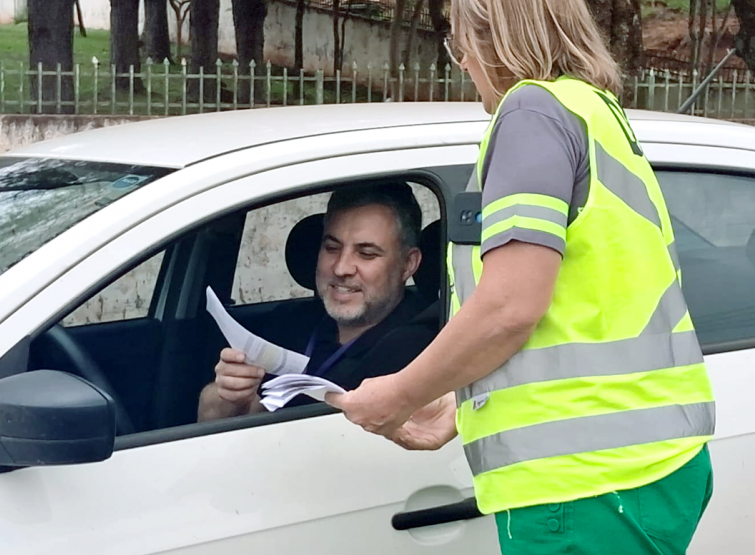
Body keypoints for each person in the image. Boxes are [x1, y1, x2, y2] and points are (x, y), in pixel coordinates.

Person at [326, 1, 716, 554]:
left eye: (459, 41)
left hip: (583, 483)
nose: (461, 61)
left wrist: (401, 394)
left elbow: (511, 306)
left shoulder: (530, 113)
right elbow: (581, 313)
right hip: (640, 465)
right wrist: (457, 400)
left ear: (495, 36)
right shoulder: (592, 112)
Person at [197, 182, 437, 422]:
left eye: (366, 254)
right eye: (332, 248)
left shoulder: (422, 348)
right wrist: (229, 395)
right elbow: (217, 429)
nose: (341, 268)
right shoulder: (289, 323)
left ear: (408, 264)